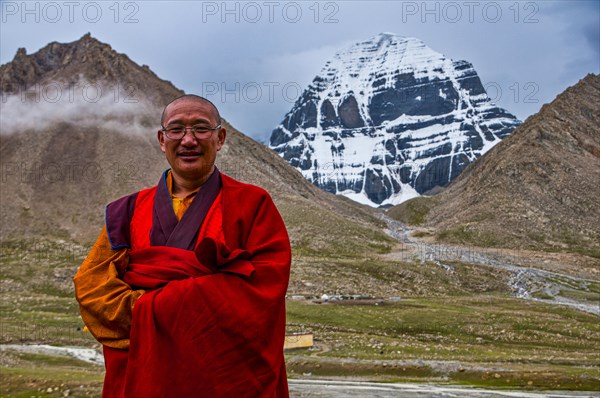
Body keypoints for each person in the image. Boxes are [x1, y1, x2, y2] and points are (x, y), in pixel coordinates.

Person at [73, 95, 291, 397]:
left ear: (220, 138)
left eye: (201, 129)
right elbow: (92, 287)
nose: (188, 140)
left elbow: (263, 292)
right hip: (143, 377)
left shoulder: (252, 205)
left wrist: (156, 306)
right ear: (162, 140)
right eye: (176, 130)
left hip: (221, 380)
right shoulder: (127, 211)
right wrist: (147, 311)